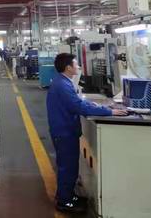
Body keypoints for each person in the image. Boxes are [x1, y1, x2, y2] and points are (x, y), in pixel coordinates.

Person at [47, 53, 127, 213]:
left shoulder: (62, 82)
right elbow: (78, 107)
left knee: (69, 166)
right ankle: (64, 201)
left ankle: (67, 195)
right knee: (67, 167)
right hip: (64, 132)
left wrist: (93, 105)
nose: (78, 67)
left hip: (65, 130)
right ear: (68, 67)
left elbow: (76, 102)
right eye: (76, 64)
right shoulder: (62, 85)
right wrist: (109, 112)